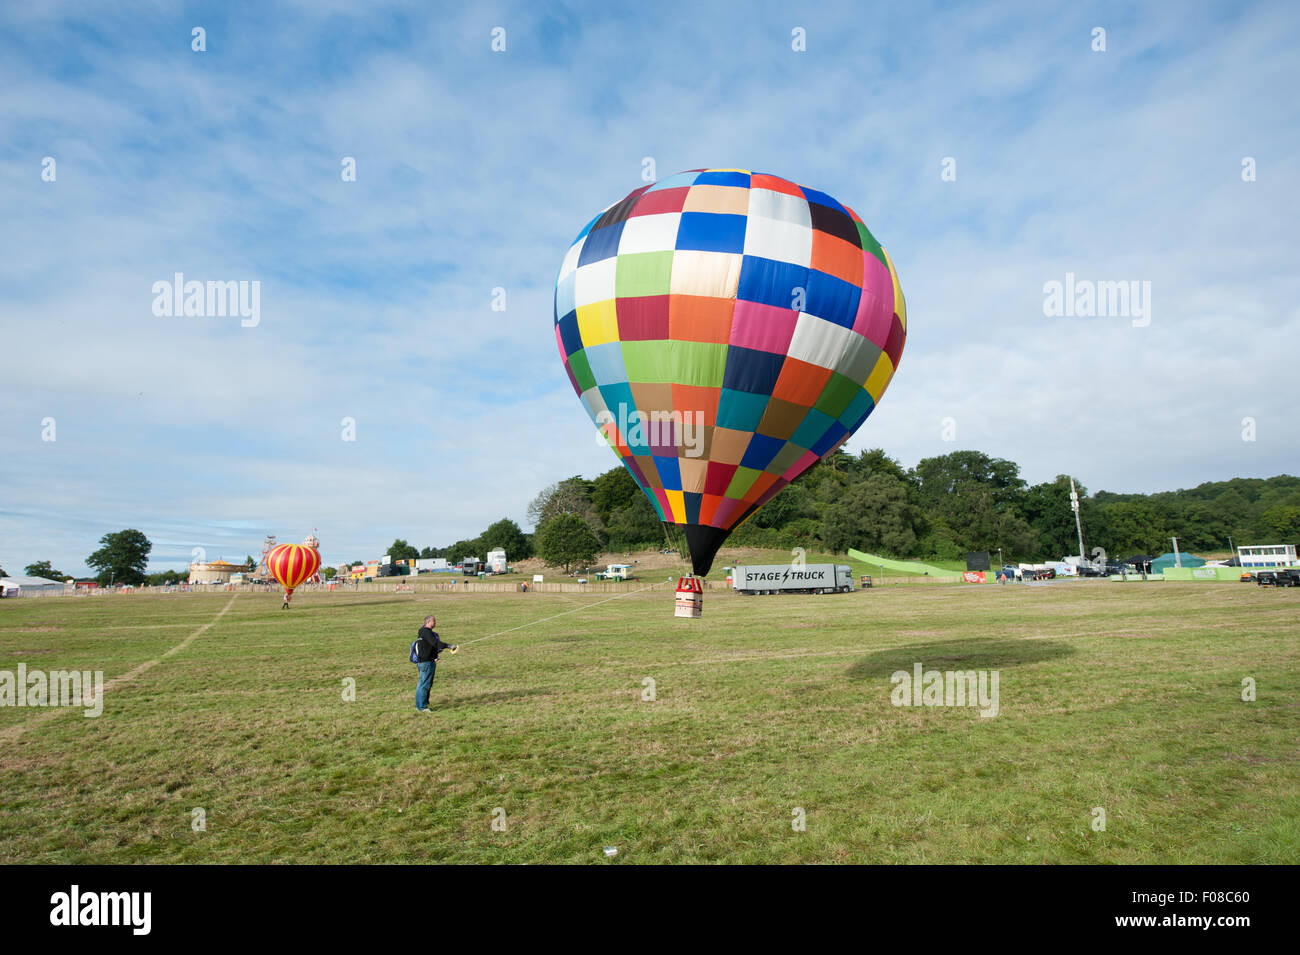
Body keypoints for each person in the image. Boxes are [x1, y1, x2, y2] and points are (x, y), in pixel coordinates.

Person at [414, 614, 457, 712]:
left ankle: (420, 704)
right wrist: (448, 646)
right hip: (426, 663)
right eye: (434, 621)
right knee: (424, 684)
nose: (435, 623)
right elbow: (435, 643)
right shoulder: (426, 632)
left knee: (423, 683)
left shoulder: (423, 632)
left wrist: (435, 656)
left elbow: (429, 647)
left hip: (427, 661)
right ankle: (422, 707)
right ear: (428, 622)